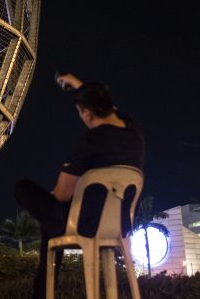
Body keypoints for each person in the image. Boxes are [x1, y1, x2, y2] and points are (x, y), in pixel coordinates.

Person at [14, 73, 145, 299]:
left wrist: (58, 193)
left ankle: (42, 294)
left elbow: (63, 195)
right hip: (120, 226)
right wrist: (78, 85)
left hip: (85, 224)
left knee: (23, 188)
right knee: (50, 224)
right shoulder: (134, 132)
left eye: (80, 111)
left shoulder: (90, 140)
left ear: (86, 112)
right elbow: (106, 106)